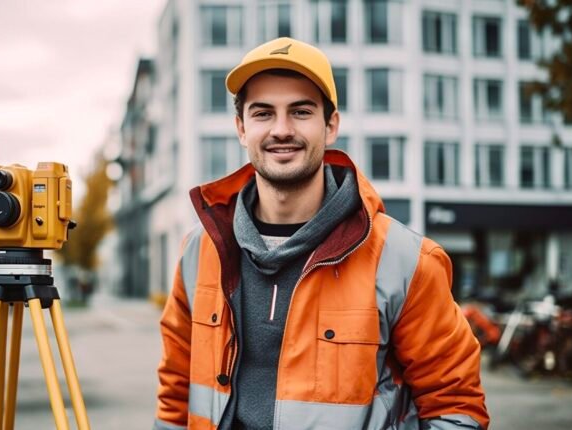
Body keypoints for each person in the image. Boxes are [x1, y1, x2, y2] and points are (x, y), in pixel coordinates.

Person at [154, 37, 489, 430]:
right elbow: (176, 396)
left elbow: (455, 407)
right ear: (241, 128)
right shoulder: (200, 250)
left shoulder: (405, 260)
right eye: (263, 113)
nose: (281, 130)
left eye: (300, 112)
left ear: (330, 126)